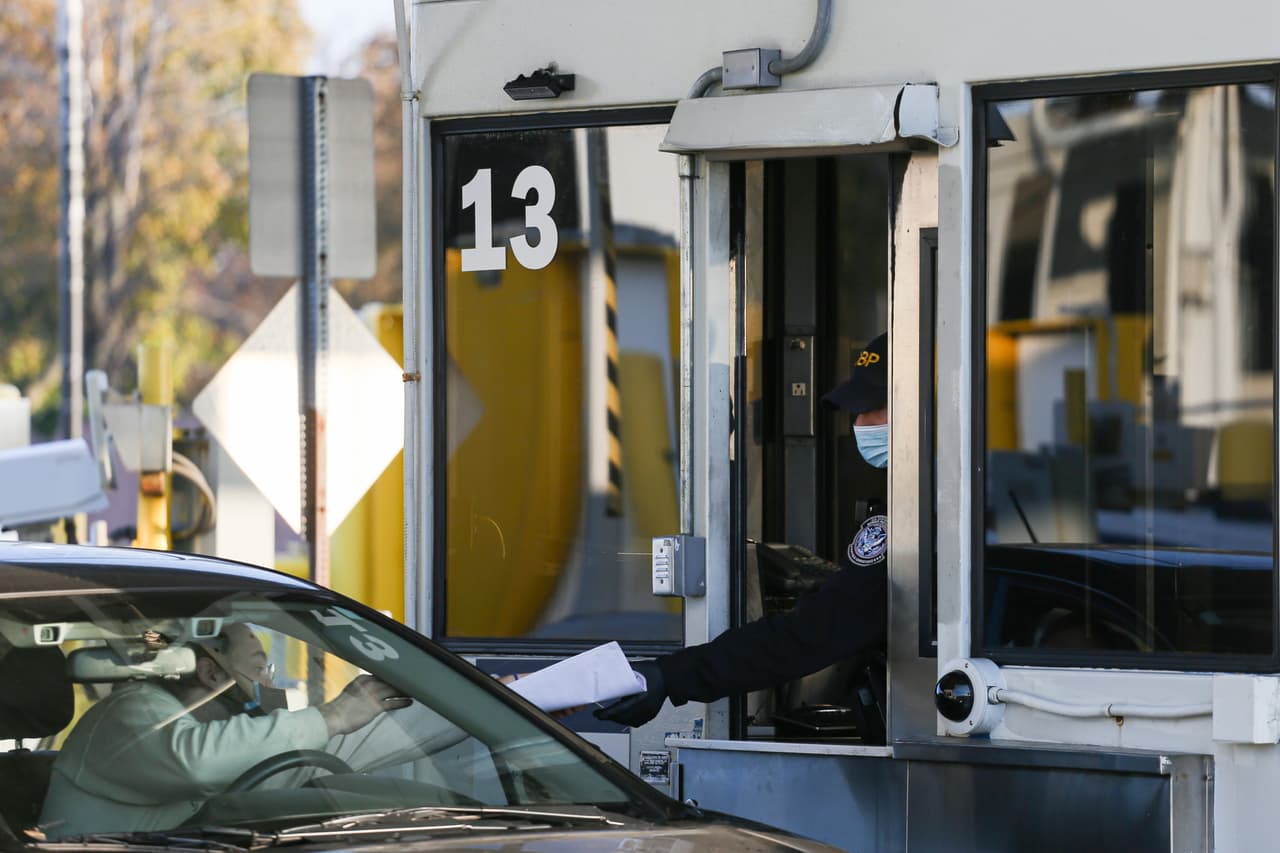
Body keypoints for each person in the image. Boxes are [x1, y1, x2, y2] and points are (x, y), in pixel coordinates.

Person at [596, 332, 891, 728]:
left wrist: (670, 677)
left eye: (873, 409)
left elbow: (815, 632)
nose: (859, 424)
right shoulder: (940, 499)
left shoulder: (915, 518)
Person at [39, 622, 413, 839]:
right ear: (212, 674)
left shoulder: (228, 733)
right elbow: (196, 763)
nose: (269, 681)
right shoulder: (130, 710)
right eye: (259, 667)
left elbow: (299, 775)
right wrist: (333, 717)